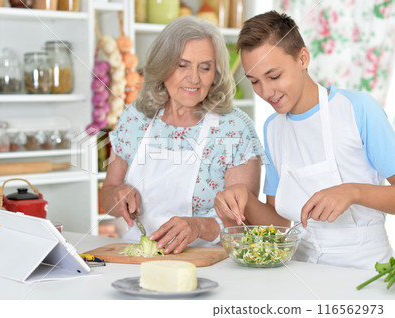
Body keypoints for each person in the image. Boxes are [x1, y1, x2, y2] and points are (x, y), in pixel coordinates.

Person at [214, 11, 395, 270]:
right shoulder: (273, 127)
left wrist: (353, 192)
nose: (266, 92)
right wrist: (245, 197)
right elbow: (279, 224)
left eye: (274, 76)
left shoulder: (357, 109)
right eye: (254, 81)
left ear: (302, 58)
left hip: (365, 270)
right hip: (302, 270)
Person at [100, 16, 265, 254]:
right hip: (139, 258)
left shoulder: (234, 128)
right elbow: (108, 194)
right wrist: (118, 195)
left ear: (216, 73)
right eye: (182, 65)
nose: (194, 78)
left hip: (212, 262)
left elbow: (246, 225)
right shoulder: (135, 119)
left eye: (205, 67)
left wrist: (199, 227)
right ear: (163, 65)